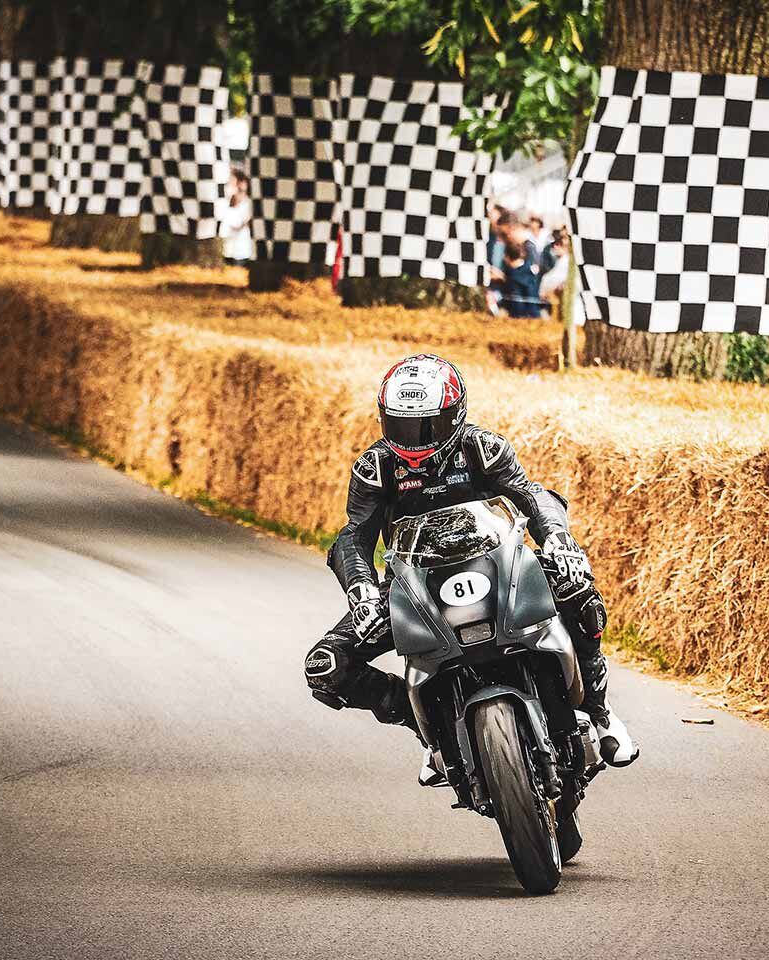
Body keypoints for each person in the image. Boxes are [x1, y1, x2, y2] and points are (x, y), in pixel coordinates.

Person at [304, 355, 639, 781]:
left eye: (425, 426)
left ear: (454, 414)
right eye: (400, 426)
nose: (412, 439)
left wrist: (558, 540)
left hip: (497, 563)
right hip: (413, 586)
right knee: (327, 665)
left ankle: (600, 710)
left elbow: (532, 496)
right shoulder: (375, 469)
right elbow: (354, 536)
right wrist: (362, 589)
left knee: (579, 591)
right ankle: (429, 732)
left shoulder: (483, 448)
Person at [497, 239, 544, 318]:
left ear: (507, 257)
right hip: (535, 314)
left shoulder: (513, 276)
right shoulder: (530, 270)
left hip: (520, 316)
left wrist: (504, 278)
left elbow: (513, 302)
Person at [220, 165, 252, 265]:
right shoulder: (226, 201)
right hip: (227, 248)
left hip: (241, 250)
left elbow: (239, 224)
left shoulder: (248, 203)